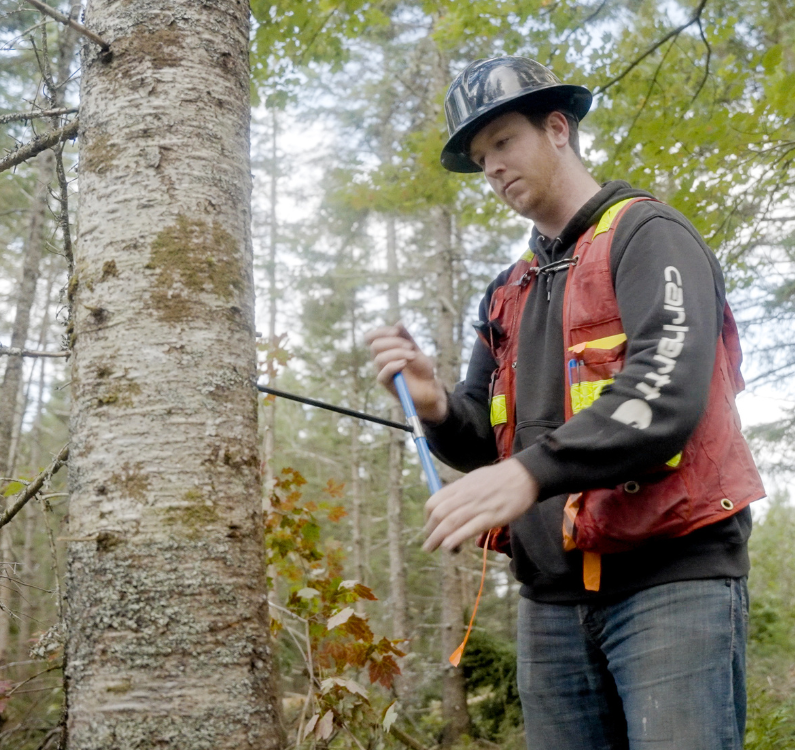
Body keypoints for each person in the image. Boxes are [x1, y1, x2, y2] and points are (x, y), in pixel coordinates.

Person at [366, 56, 765, 750]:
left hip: (670, 583)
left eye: (503, 141)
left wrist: (526, 475)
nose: (491, 167)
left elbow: (662, 397)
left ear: (557, 128)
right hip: (549, 605)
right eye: (478, 154)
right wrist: (432, 406)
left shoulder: (647, 235)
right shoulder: (507, 288)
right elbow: (482, 443)